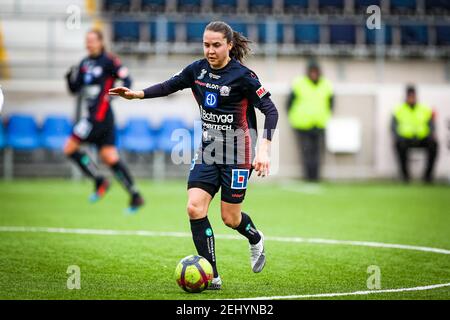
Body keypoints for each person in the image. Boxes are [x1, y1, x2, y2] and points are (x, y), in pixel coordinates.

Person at [109, 21, 279, 290]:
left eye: (216, 45)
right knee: (194, 207)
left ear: (229, 45)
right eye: (206, 44)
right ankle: (212, 275)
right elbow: (169, 85)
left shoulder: (243, 76)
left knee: (230, 219)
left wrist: (264, 149)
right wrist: (137, 94)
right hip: (209, 151)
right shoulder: (196, 70)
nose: (210, 51)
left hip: (238, 152)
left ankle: (255, 237)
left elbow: (271, 110)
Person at [64, 29, 144, 212]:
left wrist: (116, 96)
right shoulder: (84, 63)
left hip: (98, 117)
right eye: (87, 40)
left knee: (69, 147)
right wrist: (69, 78)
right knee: (110, 157)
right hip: (98, 117)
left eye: (92, 40)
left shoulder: (109, 61)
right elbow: (76, 89)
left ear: (101, 42)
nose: (89, 44)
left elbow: (127, 78)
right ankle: (135, 195)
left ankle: (100, 181)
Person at [286, 61, 334, 181]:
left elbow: (331, 103)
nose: (313, 74)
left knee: (318, 153)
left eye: (315, 71)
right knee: (306, 152)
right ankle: (308, 177)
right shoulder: (299, 83)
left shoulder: (326, 85)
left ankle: (316, 177)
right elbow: (289, 103)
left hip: (319, 124)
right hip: (302, 125)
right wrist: (293, 118)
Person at [392, 85, 438, 183]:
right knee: (398, 145)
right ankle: (405, 177)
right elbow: (393, 127)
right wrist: (398, 137)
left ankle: (427, 177)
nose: (411, 98)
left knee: (434, 145)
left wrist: (431, 135)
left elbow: (431, 125)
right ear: (406, 97)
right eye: (409, 96)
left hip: (422, 139)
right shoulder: (399, 110)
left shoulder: (424, 109)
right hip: (405, 139)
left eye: (413, 96)